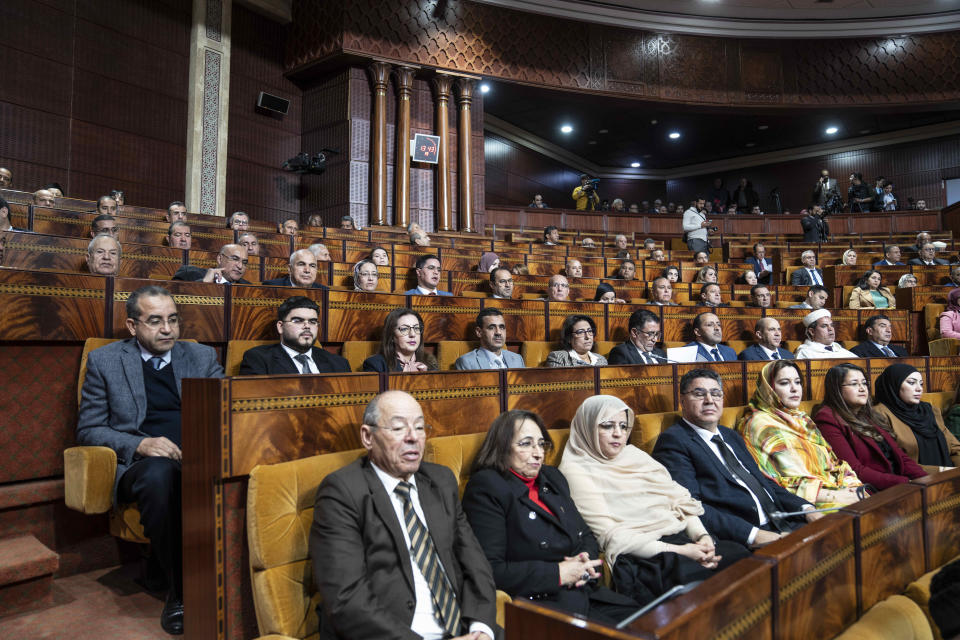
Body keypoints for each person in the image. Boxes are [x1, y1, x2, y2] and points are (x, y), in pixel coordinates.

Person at [77, 285, 224, 634]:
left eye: (172, 320)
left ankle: (181, 572)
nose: (167, 330)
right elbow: (89, 430)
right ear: (132, 326)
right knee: (161, 475)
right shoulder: (106, 360)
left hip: (199, 457)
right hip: (140, 466)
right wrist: (140, 444)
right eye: (155, 321)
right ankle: (183, 593)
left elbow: (223, 407)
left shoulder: (200, 357)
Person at [310, 391, 499, 640]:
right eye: (398, 428)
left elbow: (476, 564)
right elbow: (347, 599)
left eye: (420, 427)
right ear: (368, 437)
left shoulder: (440, 481)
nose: (413, 438)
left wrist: (481, 629)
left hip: (464, 631)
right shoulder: (343, 492)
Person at [558, 396, 750, 606]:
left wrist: (702, 537)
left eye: (623, 426)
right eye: (607, 426)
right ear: (587, 427)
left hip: (682, 540)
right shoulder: (574, 470)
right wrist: (682, 551)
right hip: (644, 554)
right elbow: (613, 536)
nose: (618, 434)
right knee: (697, 581)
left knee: (740, 557)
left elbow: (678, 500)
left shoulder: (633, 454)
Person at [463, 410, 637, 621]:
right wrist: (558, 574)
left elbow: (586, 536)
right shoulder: (487, 486)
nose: (538, 453)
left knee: (650, 623)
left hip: (582, 591)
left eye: (541, 444)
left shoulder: (552, 477)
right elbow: (491, 569)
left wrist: (582, 564)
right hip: (539, 603)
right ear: (502, 448)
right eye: (526, 444)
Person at [652, 369, 819, 549]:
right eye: (699, 394)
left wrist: (806, 508)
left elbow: (762, 482)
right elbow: (690, 505)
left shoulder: (730, 435)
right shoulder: (674, 441)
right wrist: (753, 535)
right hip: (741, 535)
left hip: (780, 521)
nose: (709, 400)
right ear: (682, 401)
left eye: (716, 394)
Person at [736, 361, 863, 509]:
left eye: (797, 382)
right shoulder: (758, 425)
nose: (794, 389)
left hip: (838, 490)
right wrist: (833, 495)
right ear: (768, 389)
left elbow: (834, 463)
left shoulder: (802, 419)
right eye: (784, 383)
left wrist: (852, 486)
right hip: (805, 504)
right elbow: (771, 483)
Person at [813, 364, 926, 490]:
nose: (862, 388)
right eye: (854, 384)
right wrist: (905, 483)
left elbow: (901, 457)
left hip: (897, 483)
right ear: (837, 389)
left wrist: (925, 480)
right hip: (871, 490)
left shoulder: (869, 415)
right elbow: (853, 469)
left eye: (864, 383)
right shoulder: (827, 418)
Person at [873, 364, 960, 471]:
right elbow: (894, 462)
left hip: (948, 477)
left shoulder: (929, 410)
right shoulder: (880, 414)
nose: (919, 389)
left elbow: (955, 448)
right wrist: (942, 471)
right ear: (894, 384)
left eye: (921, 384)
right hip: (914, 482)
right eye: (911, 383)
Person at [239, 296, 349, 375]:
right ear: (280, 327)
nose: (307, 326)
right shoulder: (258, 359)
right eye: (297, 320)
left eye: (312, 321)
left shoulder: (339, 363)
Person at [362, 309, 438, 372]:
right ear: (391, 335)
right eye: (404, 329)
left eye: (416, 328)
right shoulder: (375, 364)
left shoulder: (430, 363)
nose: (412, 334)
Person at [454, 308, 524, 370]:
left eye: (501, 327)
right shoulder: (466, 363)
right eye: (491, 327)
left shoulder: (518, 359)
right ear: (479, 332)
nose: (498, 332)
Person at [173, 244, 251, 284]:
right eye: (235, 259)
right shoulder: (189, 274)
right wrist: (204, 283)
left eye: (244, 262)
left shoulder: (249, 287)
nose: (240, 266)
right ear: (220, 259)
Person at [263, 249, 328, 289]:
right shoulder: (271, 287)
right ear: (290, 269)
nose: (307, 270)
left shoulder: (324, 291)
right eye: (301, 264)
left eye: (312, 266)